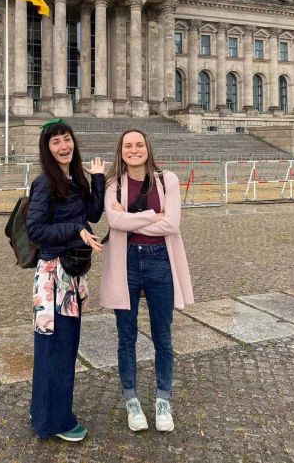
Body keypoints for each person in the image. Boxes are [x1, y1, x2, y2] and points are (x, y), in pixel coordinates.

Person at [102, 129, 194, 433]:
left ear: (147, 148)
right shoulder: (113, 184)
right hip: (125, 261)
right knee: (126, 336)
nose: (134, 149)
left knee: (162, 336)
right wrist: (154, 215)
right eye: (128, 145)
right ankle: (131, 400)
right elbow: (114, 223)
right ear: (121, 150)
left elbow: (173, 224)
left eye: (139, 144)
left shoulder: (168, 180)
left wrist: (133, 218)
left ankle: (162, 400)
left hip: (159, 261)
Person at [26, 118, 106, 441]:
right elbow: (36, 230)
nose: (64, 146)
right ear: (47, 149)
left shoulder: (74, 179)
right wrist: (76, 230)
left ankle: (45, 412)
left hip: (70, 277)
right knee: (54, 349)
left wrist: (97, 179)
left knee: (63, 347)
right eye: (56, 141)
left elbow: (94, 214)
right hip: (52, 278)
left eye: (67, 139)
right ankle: (53, 422)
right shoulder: (45, 183)